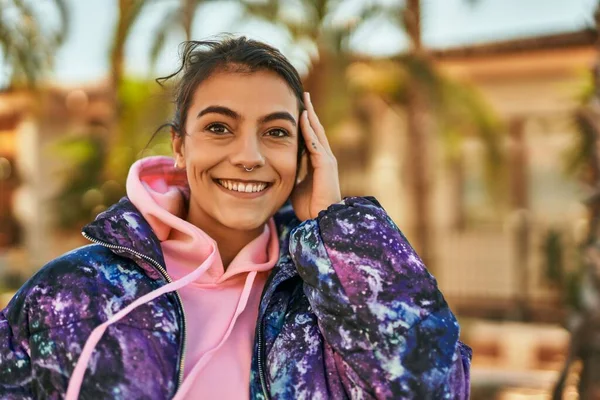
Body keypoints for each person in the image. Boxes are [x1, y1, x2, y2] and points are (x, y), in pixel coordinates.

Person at [0, 36, 471, 400]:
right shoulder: (73, 292)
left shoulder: (327, 301)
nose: (249, 155)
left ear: (306, 153)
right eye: (219, 128)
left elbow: (436, 387)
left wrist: (335, 226)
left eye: (276, 132)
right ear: (180, 147)